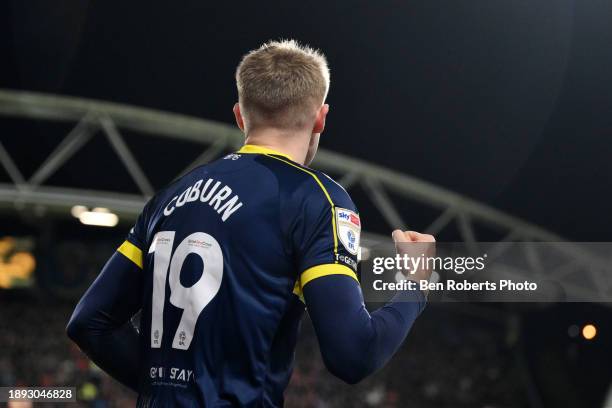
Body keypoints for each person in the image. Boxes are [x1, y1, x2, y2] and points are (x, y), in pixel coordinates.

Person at [67, 39, 434, 407]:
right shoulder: (315, 199)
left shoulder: (170, 197)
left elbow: (90, 322)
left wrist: (176, 391)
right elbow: (353, 355)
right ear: (321, 117)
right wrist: (415, 285)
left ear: (240, 116)